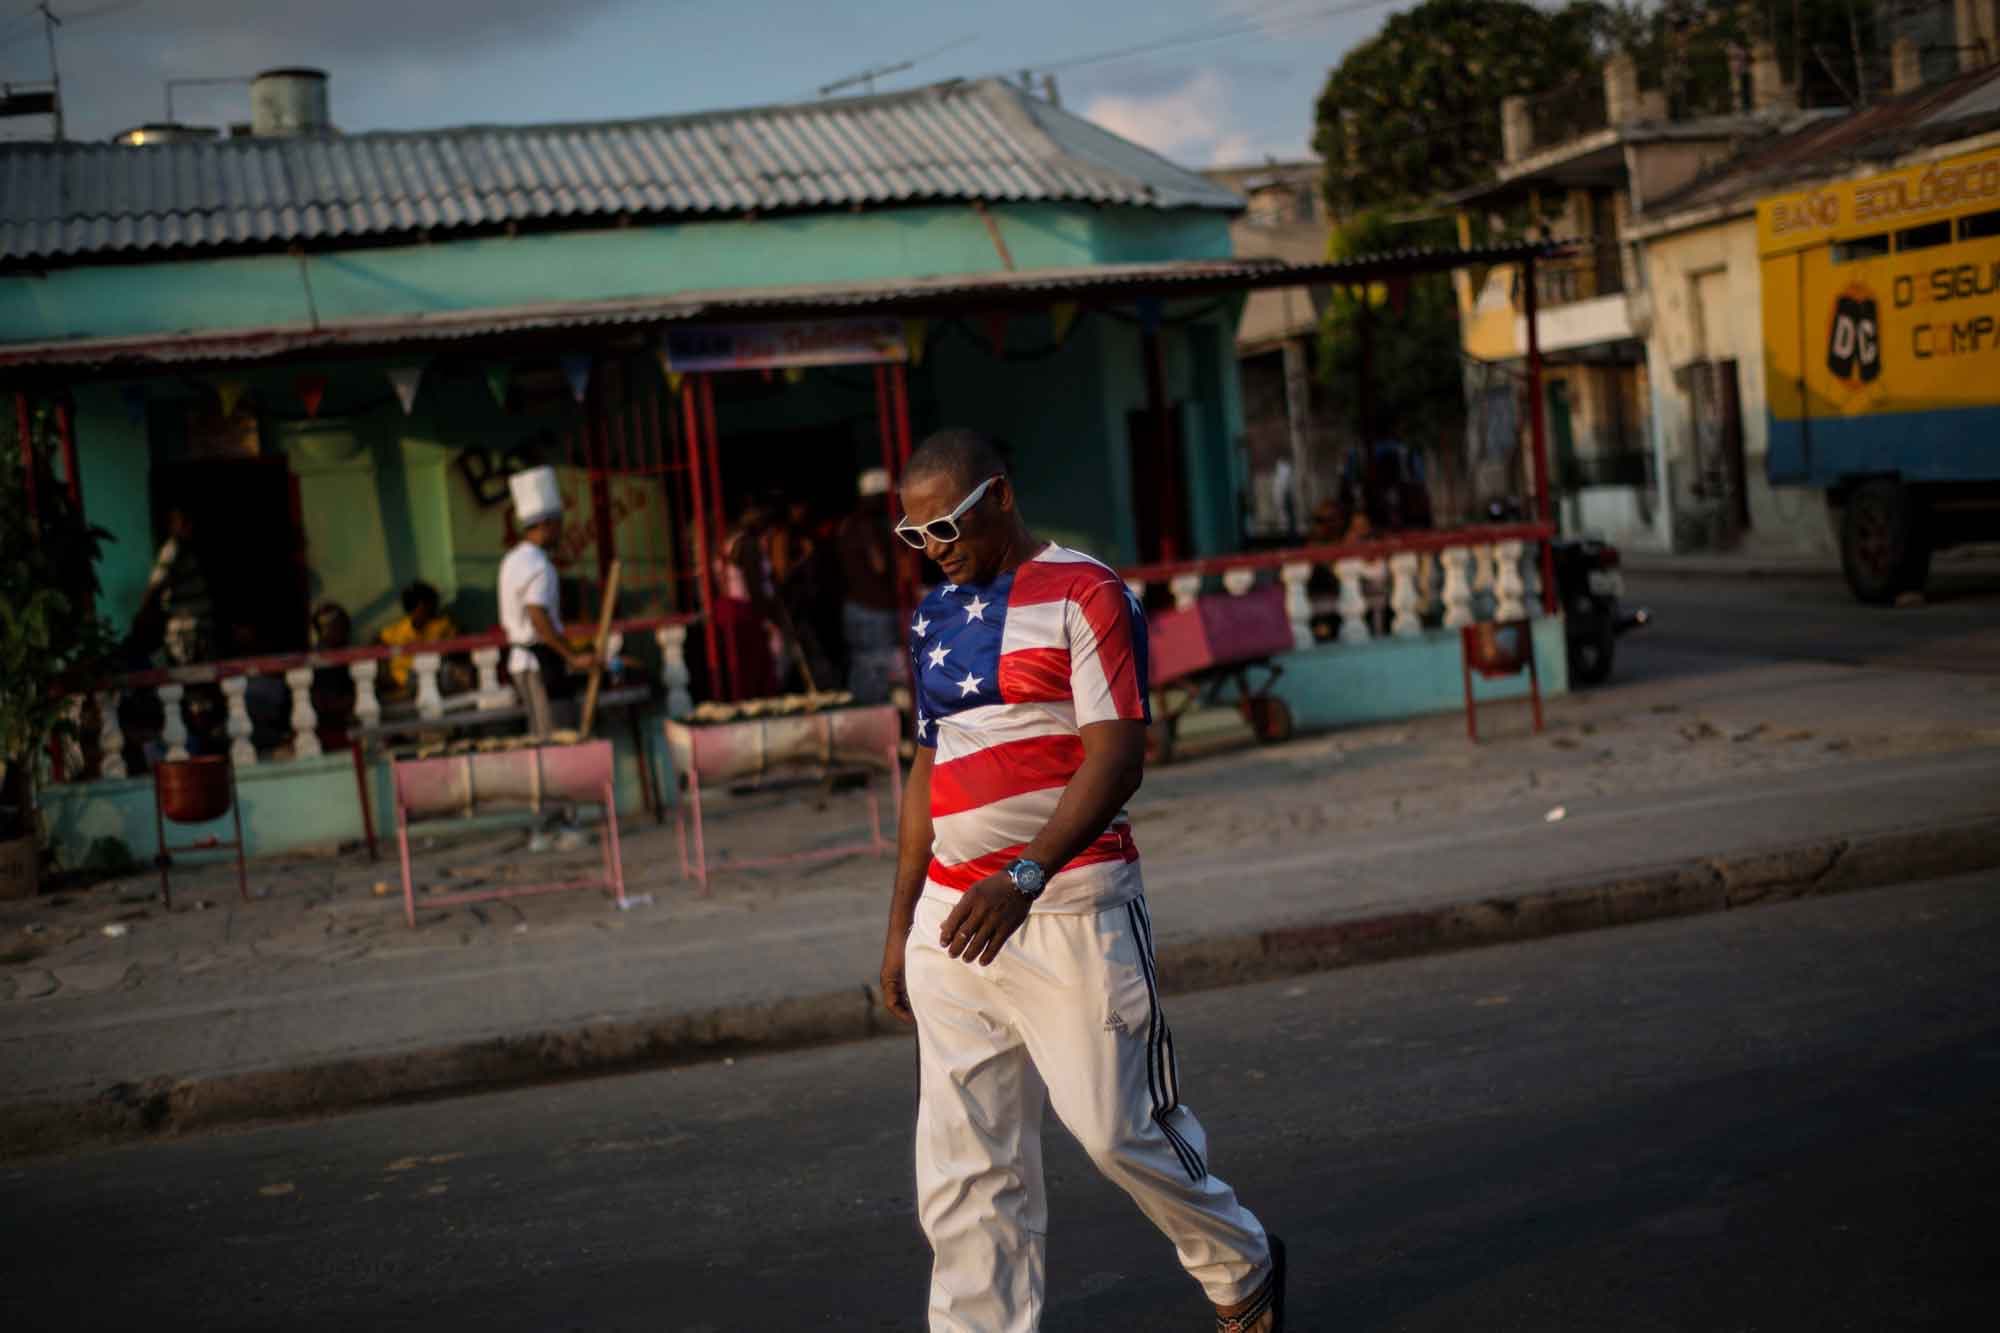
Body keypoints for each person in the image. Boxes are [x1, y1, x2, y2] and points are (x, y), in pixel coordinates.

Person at [878, 429, 1286, 1333]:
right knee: (964, 1167)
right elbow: (927, 764)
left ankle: (1242, 1263)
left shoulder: (1086, 591)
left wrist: (1022, 877)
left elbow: (1118, 759)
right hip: (953, 917)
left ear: (1002, 494)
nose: (935, 547)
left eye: (945, 524)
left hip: (1067, 904)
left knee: (1116, 1129)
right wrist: (903, 917)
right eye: (914, 536)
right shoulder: (934, 615)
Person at [500, 467, 595, 850]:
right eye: (558, 523)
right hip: (540, 664)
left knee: (545, 743)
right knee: (555, 743)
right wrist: (572, 656)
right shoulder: (538, 566)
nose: (561, 529)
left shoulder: (513, 560)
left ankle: (551, 822)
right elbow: (538, 617)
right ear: (546, 524)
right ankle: (557, 823)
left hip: (527, 664)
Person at [836, 468, 900, 704]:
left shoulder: (849, 524)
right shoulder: (866, 526)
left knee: (865, 666)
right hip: (873, 608)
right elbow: (879, 565)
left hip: (859, 606)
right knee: (875, 669)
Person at [137, 506, 214, 667]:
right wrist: (141, 617)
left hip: (197, 626)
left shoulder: (189, 551)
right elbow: (156, 585)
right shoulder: (172, 549)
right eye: (178, 523)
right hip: (184, 628)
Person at [378, 580, 460, 696]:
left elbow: (456, 639)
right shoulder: (399, 630)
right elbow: (378, 643)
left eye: (430, 605)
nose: (428, 610)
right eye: (422, 607)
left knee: (448, 670)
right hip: (407, 677)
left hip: (436, 672)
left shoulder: (441, 624)